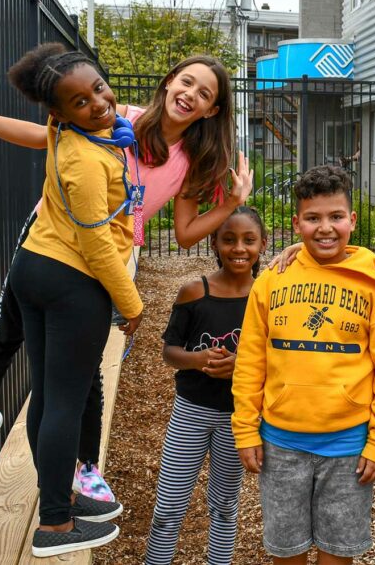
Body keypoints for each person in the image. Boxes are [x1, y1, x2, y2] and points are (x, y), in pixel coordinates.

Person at [0, 55, 250, 500]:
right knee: (9, 332)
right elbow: (40, 138)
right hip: (56, 242)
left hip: (107, 257)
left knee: (88, 367)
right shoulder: (122, 117)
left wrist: (231, 204)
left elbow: (184, 234)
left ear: (212, 111)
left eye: (204, 94)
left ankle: (84, 466)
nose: (190, 95)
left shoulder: (192, 160)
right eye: (186, 82)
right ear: (167, 82)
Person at [4, 43, 137, 555]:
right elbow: (97, 245)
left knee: (50, 395)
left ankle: (59, 495)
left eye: (99, 88)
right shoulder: (83, 159)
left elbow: (98, 117)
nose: (98, 104)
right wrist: (132, 305)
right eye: (80, 102)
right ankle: (55, 524)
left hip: (34, 266)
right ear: (58, 114)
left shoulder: (69, 132)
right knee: (65, 402)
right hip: (71, 281)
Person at [232, 165, 375, 565]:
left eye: (336, 216)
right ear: (296, 223)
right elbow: (252, 360)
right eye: (313, 218)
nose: (325, 228)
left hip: (348, 447)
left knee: (337, 554)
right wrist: (245, 430)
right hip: (281, 443)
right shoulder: (272, 280)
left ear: (352, 220)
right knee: (285, 552)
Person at [144, 206, 267, 565]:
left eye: (248, 240)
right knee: (169, 503)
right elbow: (169, 351)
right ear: (214, 242)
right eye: (228, 239)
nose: (238, 248)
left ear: (263, 244)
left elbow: (277, 358)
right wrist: (198, 360)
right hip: (191, 412)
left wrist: (239, 366)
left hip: (238, 417)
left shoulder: (267, 299)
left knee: (225, 506)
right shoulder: (194, 292)